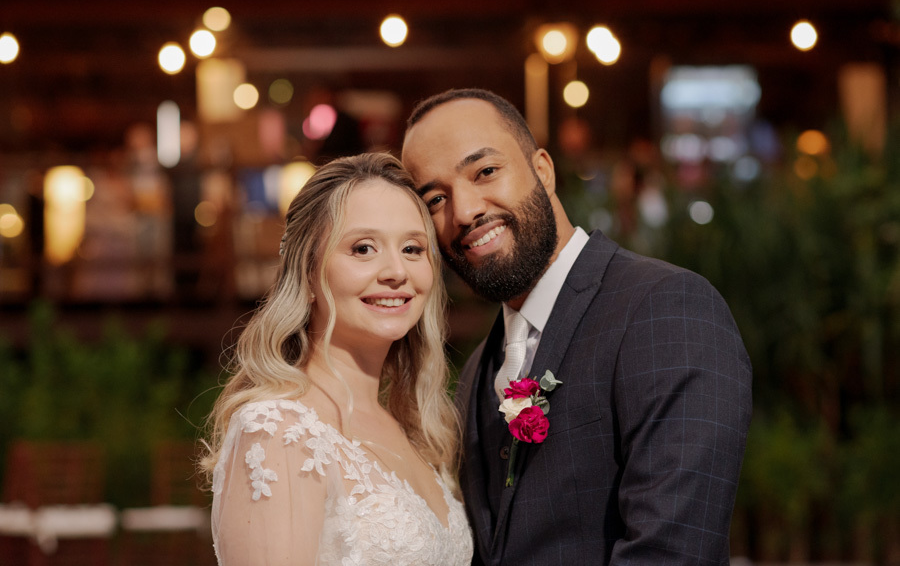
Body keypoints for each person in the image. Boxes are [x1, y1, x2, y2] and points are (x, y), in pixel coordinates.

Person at [401, 89, 753, 565]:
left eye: (485, 172)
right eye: (436, 198)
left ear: (542, 170)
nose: (463, 211)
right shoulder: (476, 374)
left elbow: (672, 552)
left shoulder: (666, 309)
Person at [201, 153, 474, 566]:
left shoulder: (414, 429)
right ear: (308, 271)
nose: (396, 271)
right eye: (363, 248)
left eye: (413, 248)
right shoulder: (279, 431)